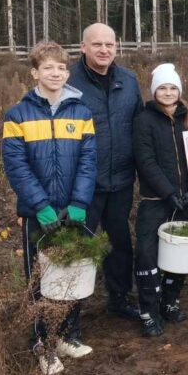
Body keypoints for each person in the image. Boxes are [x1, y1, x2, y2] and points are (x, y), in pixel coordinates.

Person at [2, 41, 96, 375]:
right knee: (40, 279)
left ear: (67, 72)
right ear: (34, 73)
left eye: (61, 68)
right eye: (48, 68)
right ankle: (41, 342)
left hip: (73, 211)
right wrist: (41, 207)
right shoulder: (18, 116)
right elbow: (16, 167)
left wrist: (79, 203)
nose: (55, 73)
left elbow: (88, 162)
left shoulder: (81, 114)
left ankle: (67, 335)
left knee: (73, 273)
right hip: (38, 215)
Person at [68, 23, 143, 321]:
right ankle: (70, 307)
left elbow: (139, 128)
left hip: (121, 180)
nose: (104, 50)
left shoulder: (128, 81)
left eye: (109, 45)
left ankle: (119, 297)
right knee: (78, 244)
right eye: (97, 44)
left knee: (119, 242)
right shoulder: (69, 82)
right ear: (83, 47)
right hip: (82, 185)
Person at [132, 63, 188, 337]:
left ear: (179, 90)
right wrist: (168, 192)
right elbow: (145, 161)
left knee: (180, 253)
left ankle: (170, 301)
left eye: (173, 88)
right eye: (162, 88)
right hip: (155, 200)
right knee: (148, 253)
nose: (168, 93)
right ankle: (149, 310)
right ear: (154, 90)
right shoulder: (144, 120)